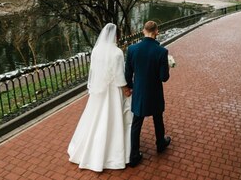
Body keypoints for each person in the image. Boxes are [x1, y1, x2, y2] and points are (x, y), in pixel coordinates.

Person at [68, 23, 133, 171]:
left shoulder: (96, 50)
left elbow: (94, 70)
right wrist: (126, 89)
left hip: (100, 91)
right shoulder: (117, 52)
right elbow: (118, 75)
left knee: (95, 118)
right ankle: (113, 155)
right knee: (113, 119)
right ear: (116, 36)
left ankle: (89, 149)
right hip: (113, 92)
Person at [125, 20, 171, 167]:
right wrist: (166, 66)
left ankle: (134, 156)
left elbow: (128, 74)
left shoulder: (132, 49)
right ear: (156, 31)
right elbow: (164, 78)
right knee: (158, 118)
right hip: (155, 92)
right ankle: (160, 143)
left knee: (136, 123)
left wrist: (132, 87)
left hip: (139, 92)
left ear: (143, 31)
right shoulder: (162, 52)